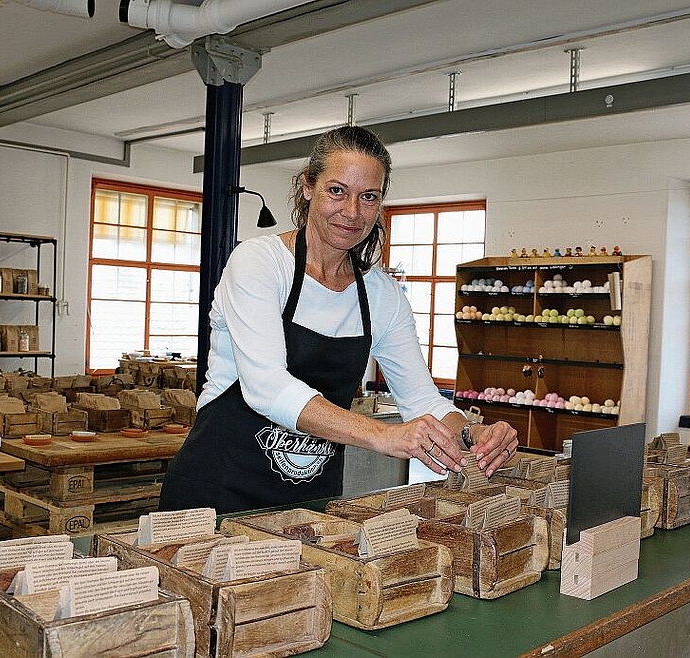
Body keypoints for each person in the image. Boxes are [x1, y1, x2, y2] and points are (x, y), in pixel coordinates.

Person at [159, 125, 518, 514]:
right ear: (307, 186)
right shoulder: (260, 262)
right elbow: (267, 387)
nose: (352, 212)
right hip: (215, 494)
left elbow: (420, 399)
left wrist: (471, 432)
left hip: (308, 502)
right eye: (337, 191)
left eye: (368, 197)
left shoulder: (381, 294)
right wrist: (383, 435)